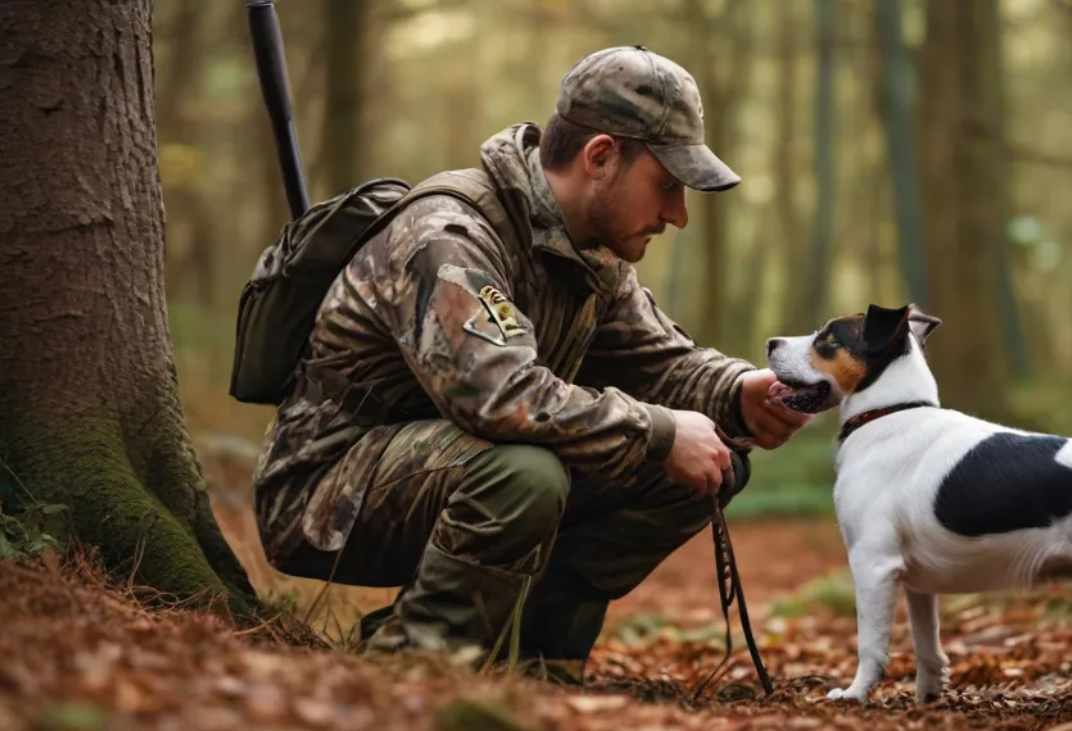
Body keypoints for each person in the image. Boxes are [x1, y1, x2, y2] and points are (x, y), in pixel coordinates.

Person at [251, 46, 810, 677]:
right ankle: (413, 666)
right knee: (529, 471)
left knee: (706, 461)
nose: (677, 215)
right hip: (324, 494)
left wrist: (740, 392)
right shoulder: (451, 235)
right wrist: (657, 433)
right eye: (667, 186)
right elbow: (499, 396)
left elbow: (662, 363)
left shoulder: (590, 256)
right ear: (601, 157)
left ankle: (537, 658)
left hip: (440, 469)